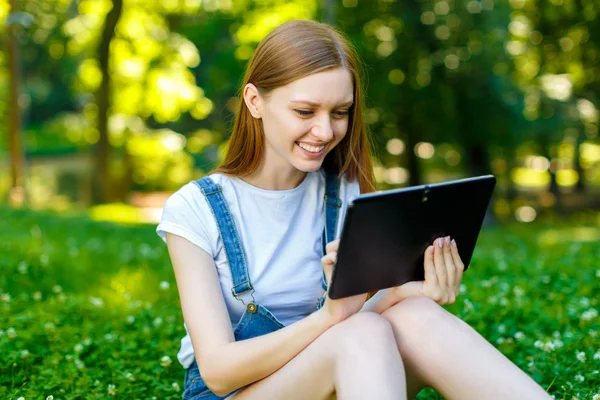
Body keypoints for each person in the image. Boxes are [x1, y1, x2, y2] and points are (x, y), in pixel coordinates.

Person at [157, 19, 550, 400]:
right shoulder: (196, 209)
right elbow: (219, 372)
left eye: (340, 112)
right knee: (360, 331)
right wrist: (328, 318)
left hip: (340, 371)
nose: (326, 132)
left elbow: (353, 325)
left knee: (413, 314)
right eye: (305, 112)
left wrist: (409, 291)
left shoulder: (343, 193)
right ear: (255, 101)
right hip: (237, 393)